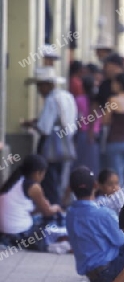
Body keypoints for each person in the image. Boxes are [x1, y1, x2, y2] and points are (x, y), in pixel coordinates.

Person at [22, 67, 77, 205]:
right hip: (66, 143)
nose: (39, 90)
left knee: (49, 182)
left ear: (47, 85)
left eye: (40, 86)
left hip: (51, 147)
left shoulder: (51, 100)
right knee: (61, 180)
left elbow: (44, 128)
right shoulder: (67, 96)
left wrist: (32, 125)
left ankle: (51, 211)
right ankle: (60, 207)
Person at [0, 154, 61, 250]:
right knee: (52, 222)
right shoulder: (34, 187)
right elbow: (48, 211)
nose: (43, 178)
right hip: (20, 233)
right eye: (43, 174)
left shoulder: (14, 180)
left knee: (38, 219)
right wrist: (57, 208)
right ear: (37, 173)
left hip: (4, 233)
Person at [73, 75, 101, 177]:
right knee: (93, 164)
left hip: (83, 134)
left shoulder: (79, 100)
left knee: (81, 162)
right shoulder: (98, 101)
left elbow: (77, 117)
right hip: (95, 134)